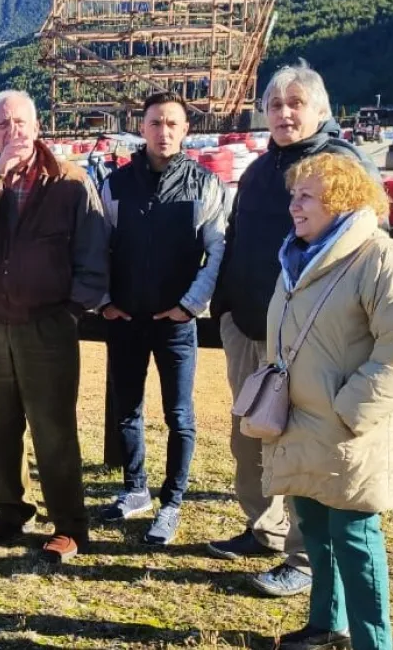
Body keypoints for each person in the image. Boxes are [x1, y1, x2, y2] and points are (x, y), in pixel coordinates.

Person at [208, 61, 382, 597]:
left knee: (306, 442)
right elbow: (236, 237)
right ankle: (263, 528)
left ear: (320, 110)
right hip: (250, 325)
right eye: (275, 105)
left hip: (312, 335)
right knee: (250, 434)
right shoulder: (260, 171)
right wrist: (226, 309)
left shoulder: (342, 166)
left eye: (295, 104)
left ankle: (306, 558)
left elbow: (368, 245)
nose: (284, 113)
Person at [264, 153, 393, 650]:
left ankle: (373, 643)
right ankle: (326, 622)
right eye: (293, 195)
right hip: (301, 422)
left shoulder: (383, 261)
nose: (294, 206)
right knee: (315, 528)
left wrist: (349, 411)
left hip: (349, 429)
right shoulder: (298, 258)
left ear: (340, 200)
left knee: (355, 538)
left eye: (306, 196)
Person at [0, 90, 108, 563]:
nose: (12, 131)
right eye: (2, 125)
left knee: (53, 428)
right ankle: (12, 510)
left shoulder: (70, 182)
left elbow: (94, 250)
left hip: (47, 322)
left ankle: (70, 525)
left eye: (19, 122)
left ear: (37, 127)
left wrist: (72, 310)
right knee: (1, 424)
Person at [95, 92, 227, 545]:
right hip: (125, 318)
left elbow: (218, 250)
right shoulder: (115, 184)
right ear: (142, 127)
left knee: (179, 415)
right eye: (155, 122)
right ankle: (135, 490)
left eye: (172, 123)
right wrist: (104, 300)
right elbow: (96, 245)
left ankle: (171, 502)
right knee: (127, 411)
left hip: (176, 323)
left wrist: (190, 305)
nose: (163, 131)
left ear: (186, 129)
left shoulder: (205, 185)